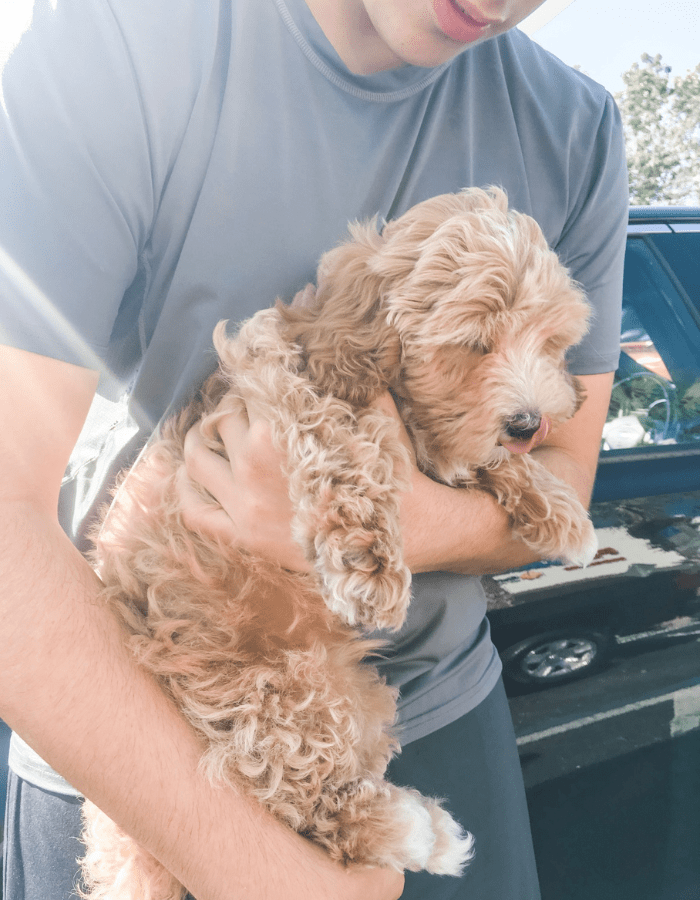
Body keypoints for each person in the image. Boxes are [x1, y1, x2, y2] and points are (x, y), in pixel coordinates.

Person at [0, 0, 628, 898]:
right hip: (128, 731)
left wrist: (402, 525)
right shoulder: (120, 40)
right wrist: (263, 874)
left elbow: (560, 484)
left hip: (435, 715)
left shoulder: (576, 128)